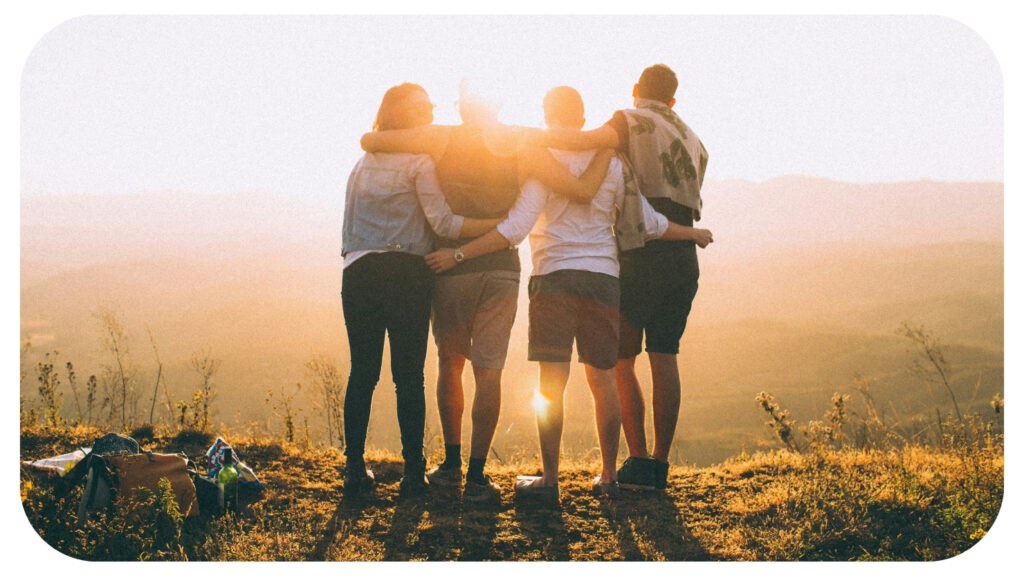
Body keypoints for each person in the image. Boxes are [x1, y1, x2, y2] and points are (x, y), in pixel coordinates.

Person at [425, 86, 712, 503]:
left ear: (546, 115)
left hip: (553, 277)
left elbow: (516, 228)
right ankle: (609, 476)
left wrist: (459, 253)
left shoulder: (541, 160)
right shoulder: (613, 162)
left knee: (551, 384)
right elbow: (647, 222)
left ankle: (550, 480)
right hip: (603, 280)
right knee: (603, 380)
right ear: (582, 118)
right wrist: (692, 233)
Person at [360, 80, 612, 503]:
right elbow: (573, 181)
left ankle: (451, 463)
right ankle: (478, 475)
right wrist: (607, 144)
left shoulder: (441, 137)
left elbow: (373, 139)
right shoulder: (520, 140)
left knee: (450, 363)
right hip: (501, 268)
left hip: (449, 266)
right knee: (489, 370)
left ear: (462, 108)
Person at [528, 64, 709, 491]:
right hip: (681, 254)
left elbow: (585, 141)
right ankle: (657, 467)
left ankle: (636, 460)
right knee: (665, 356)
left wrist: (522, 137)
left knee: (619, 362)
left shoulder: (628, 121)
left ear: (635, 90)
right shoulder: (694, 138)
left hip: (639, 251)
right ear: (673, 99)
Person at [340, 83, 502, 499]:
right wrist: (495, 226)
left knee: (363, 373)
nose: (431, 110)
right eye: (423, 106)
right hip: (406, 273)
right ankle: (413, 473)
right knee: (407, 376)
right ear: (404, 115)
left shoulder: (362, 163)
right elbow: (445, 225)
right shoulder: (419, 162)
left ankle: (354, 470)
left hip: (358, 272)